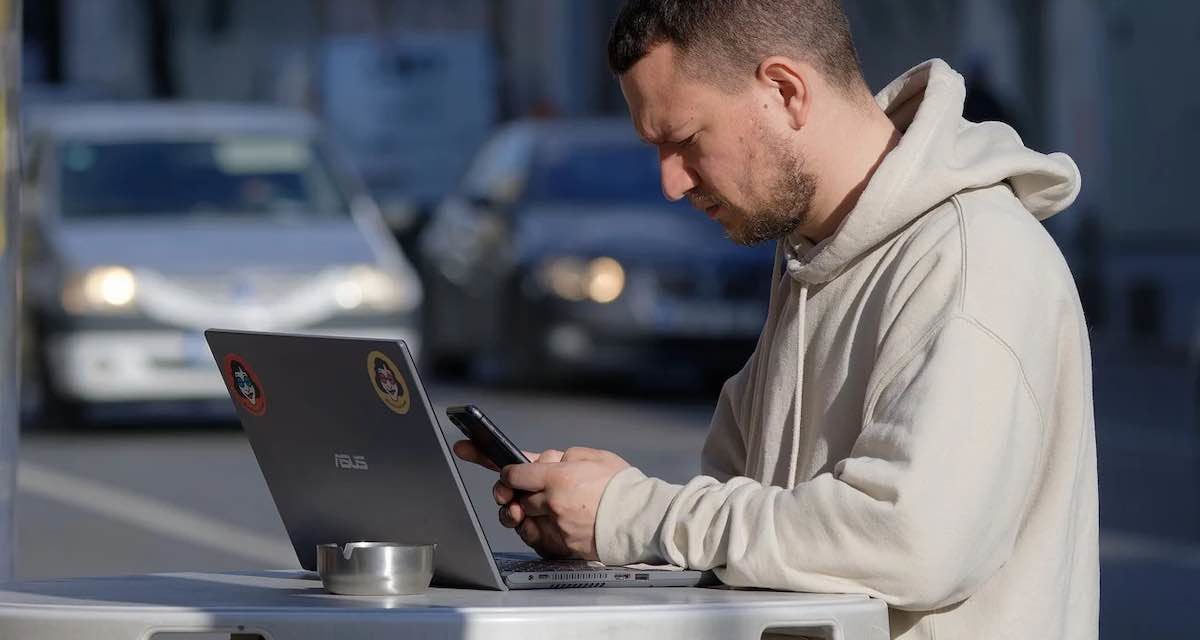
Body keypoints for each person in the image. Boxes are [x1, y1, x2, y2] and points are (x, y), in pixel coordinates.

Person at [454, 1, 1097, 638]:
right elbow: (741, 529)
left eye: (683, 140)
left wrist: (630, 514)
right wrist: (592, 514)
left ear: (785, 91)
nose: (670, 184)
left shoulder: (971, 260)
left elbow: (910, 540)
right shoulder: (812, 261)